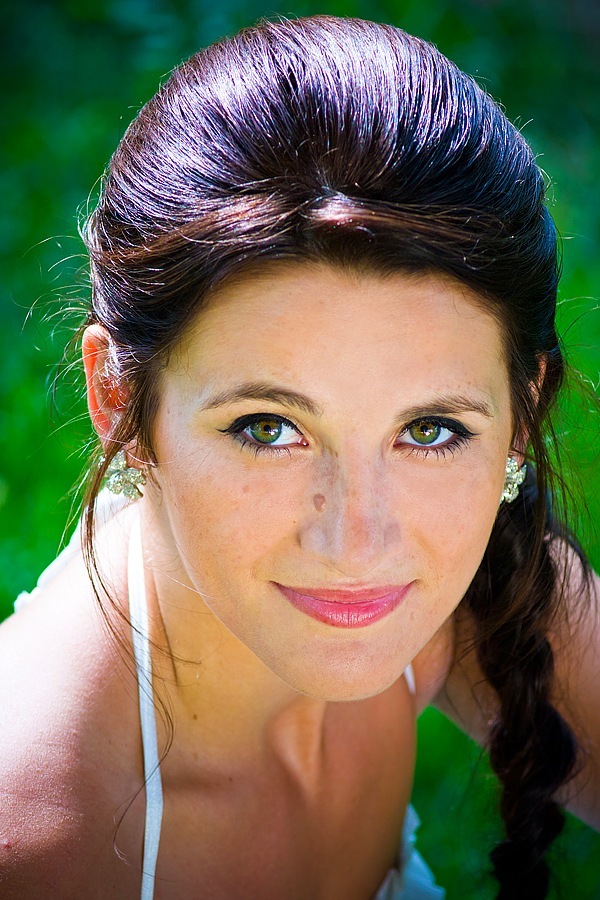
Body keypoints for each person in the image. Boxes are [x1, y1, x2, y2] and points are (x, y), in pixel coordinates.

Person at [2, 14, 599, 899]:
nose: (357, 540)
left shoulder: (485, 585)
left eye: (429, 430)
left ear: (520, 415)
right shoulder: (43, 845)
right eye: (268, 428)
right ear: (119, 399)